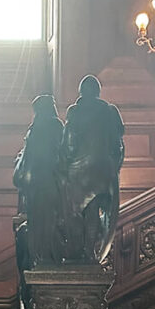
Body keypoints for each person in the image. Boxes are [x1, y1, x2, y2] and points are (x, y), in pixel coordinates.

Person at [61, 75, 125, 263]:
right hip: (104, 168)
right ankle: (90, 252)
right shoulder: (110, 111)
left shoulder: (74, 111)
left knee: (77, 209)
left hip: (80, 169)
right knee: (95, 207)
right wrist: (113, 165)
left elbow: (70, 143)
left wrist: (66, 163)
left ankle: (79, 250)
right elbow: (117, 142)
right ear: (98, 92)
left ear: (81, 92)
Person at [13, 94, 65, 266]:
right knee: (52, 222)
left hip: (35, 185)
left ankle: (40, 257)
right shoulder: (56, 126)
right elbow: (63, 154)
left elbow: (28, 157)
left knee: (37, 222)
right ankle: (50, 258)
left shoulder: (34, 130)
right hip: (52, 183)